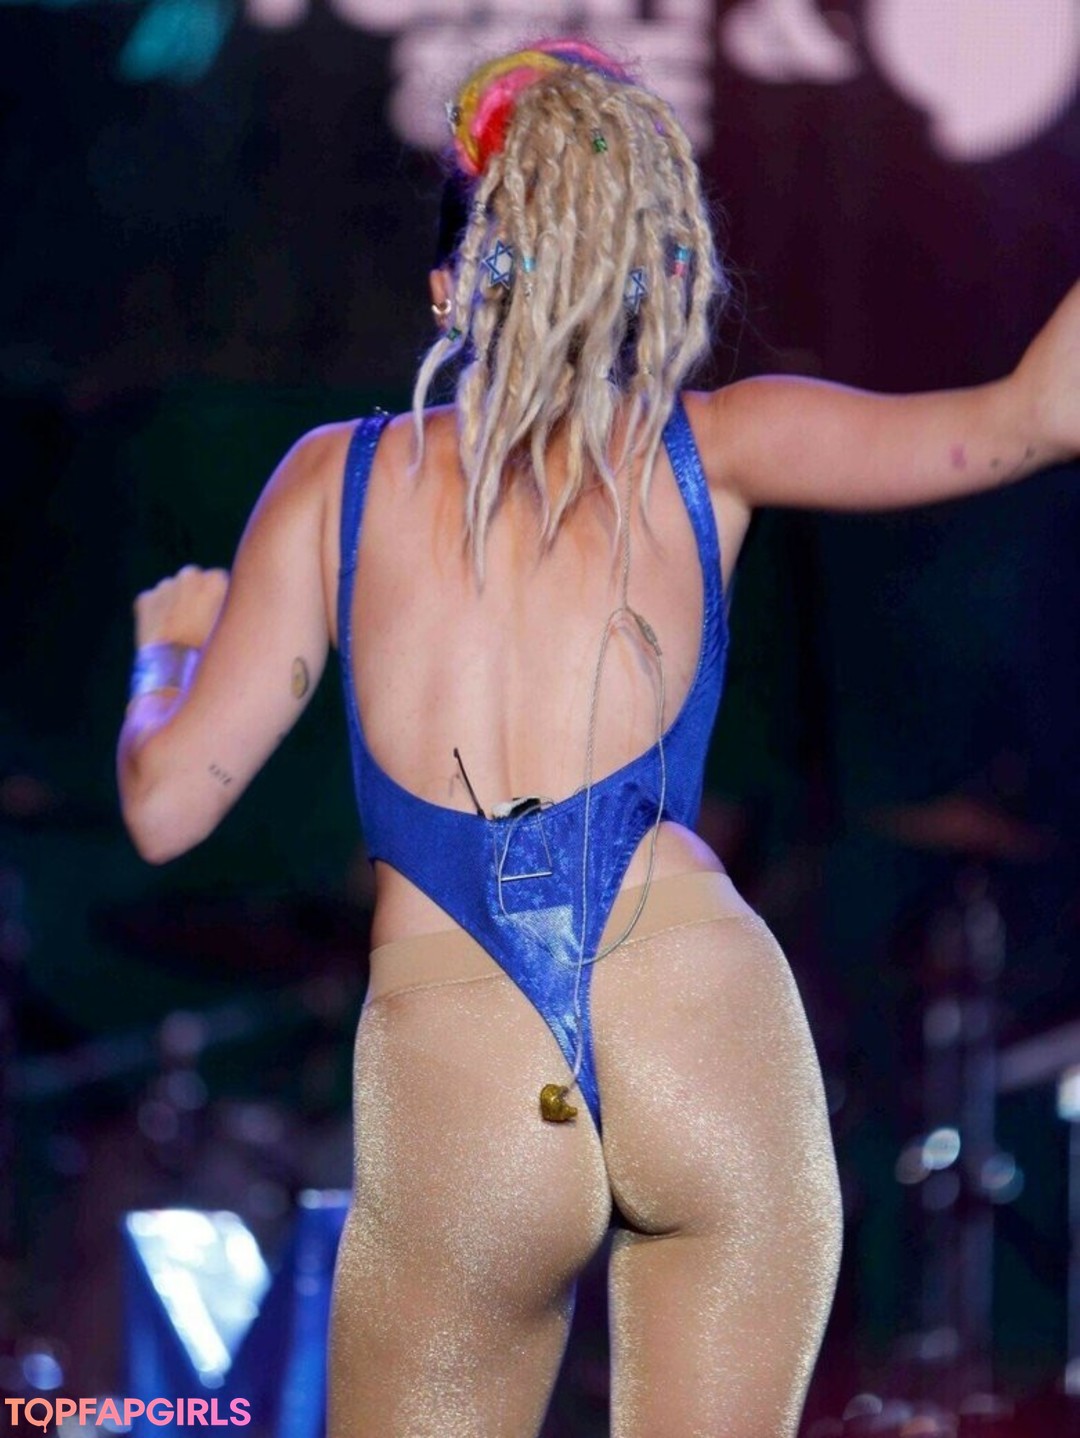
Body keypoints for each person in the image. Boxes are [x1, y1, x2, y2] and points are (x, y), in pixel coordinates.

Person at [117, 39, 1080, 1438]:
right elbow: (1035, 417)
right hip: (702, 1016)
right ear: (647, 275)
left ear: (448, 285)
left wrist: (169, 655)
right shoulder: (718, 447)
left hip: (462, 1055)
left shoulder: (339, 481)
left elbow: (165, 808)